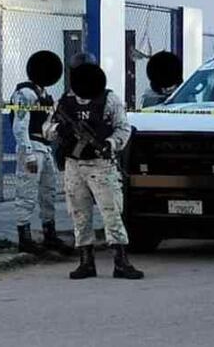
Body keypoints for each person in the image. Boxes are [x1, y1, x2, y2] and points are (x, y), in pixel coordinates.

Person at [46, 58, 144, 280]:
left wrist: (109, 144)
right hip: (73, 165)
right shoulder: (64, 102)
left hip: (101, 165)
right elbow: (47, 128)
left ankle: (121, 261)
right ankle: (86, 261)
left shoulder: (109, 100)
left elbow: (123, 128)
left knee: (111, 212)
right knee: (79, 212)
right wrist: (60, 130)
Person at [11, 50, 73, 255]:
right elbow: (20, 125)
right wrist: (27, 153)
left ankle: (49, 233)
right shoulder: (25, 94)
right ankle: (24, 237)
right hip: (31, 147)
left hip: (45, 148)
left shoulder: (45, 95)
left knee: (49, 193)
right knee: (26, 193)